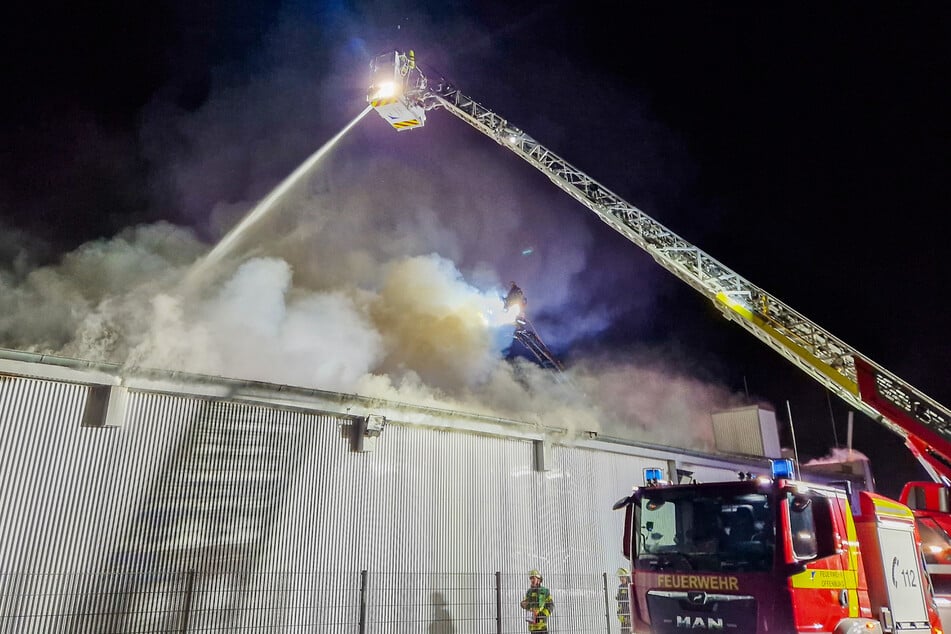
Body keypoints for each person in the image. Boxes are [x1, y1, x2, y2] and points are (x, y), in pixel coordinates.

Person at [616, 567, 632, 634]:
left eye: (622, 577)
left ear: (627, 577)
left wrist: (629, 617)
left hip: (630, 616)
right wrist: (619, 613)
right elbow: (620, 603)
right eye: (620, 577)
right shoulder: (620, 587)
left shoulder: (630, 587)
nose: (621, 579)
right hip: (623, 616)